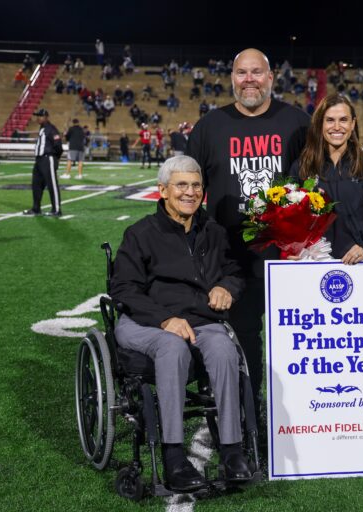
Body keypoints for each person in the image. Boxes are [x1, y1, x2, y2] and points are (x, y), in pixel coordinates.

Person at [110, 155, 251, 491]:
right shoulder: (140, 233)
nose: (190, 192)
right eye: (181, 185)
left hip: (200, 321)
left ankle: (232, 451)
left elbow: (234, 272)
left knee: (222, 346)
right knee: (172, 347)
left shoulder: (214, 233)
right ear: (163, 190)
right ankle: (173, 456)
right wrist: (164, 319)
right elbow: (124, 289)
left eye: (196, 185)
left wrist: (225, 287)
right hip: (145, 321)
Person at [187, 48, 310, 407]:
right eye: (242, 73)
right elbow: (190, 192)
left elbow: (316, 188)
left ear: (271, 78)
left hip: (288, 258)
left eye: (257, 73)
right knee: (243, 338)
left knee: (298, 339)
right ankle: (248, 410)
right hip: (232, 262)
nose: (250, 80)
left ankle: (301, 415)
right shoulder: (209, 127)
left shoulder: (298, 122)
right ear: (232, 79)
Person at [289, 94, 363, 262]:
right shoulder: (302, 167)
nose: (337, 127)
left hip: (358, 265)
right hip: (312, 264)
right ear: (320, 124)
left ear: (353, 124)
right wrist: (293, 248)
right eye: (330, 120)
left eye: (343, 120)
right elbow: (289, 219)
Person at [23, 109, 63, 216]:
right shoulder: (43, 128)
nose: (38, 118)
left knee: (52, 184)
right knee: (36, 184)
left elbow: (58, 145)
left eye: (40, 116)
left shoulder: (51, 129)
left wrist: (55, 158)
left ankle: (57, 209)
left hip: (48, 158)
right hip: (39, 160)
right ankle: (36, 208)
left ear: (46, 117)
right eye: (37, 116)